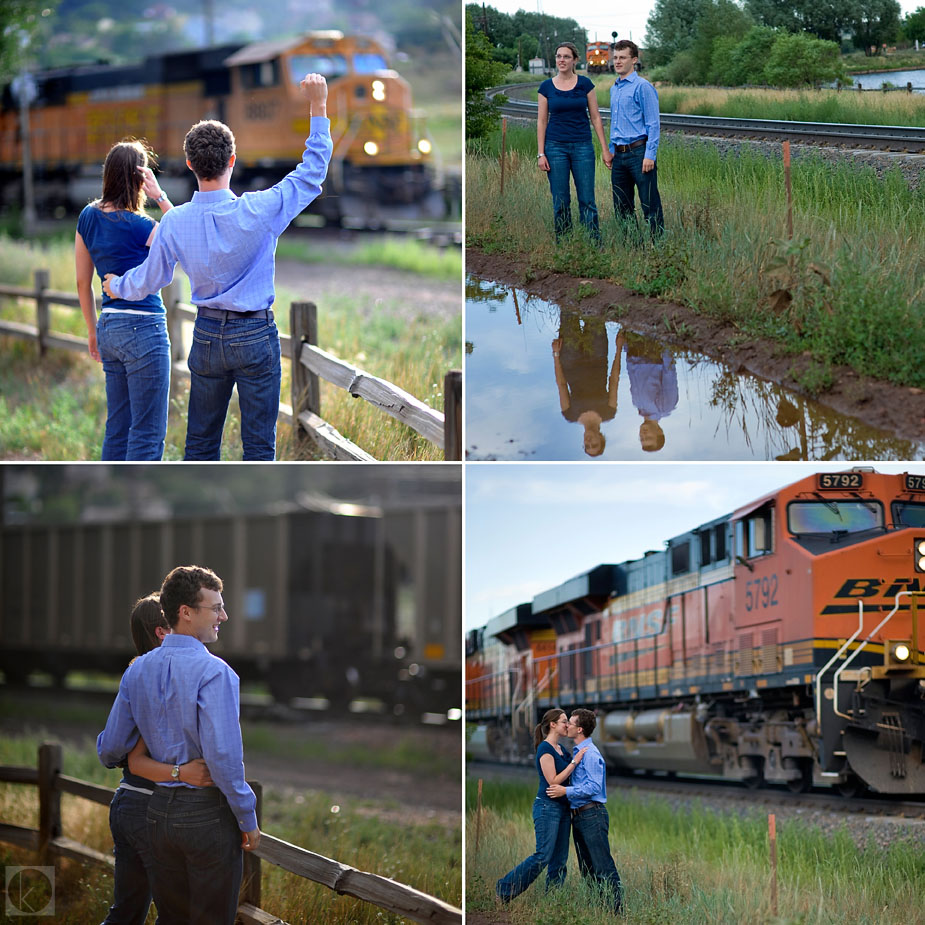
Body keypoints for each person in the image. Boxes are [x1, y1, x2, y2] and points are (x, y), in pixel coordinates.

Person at [102, 73, 333, 460]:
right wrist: (319, 106)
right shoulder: (261, 209)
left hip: (206, 335)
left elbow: (149, 279)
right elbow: (312, 173)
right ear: (232, 160)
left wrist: (115, 286)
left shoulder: (175, 222)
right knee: (259, 447)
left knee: (201, 445)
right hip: (256, 335)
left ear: (190, 163)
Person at [98, 566, 260, 925]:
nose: (224, 615)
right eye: (215, 607)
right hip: (205, 816)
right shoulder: (216, 673)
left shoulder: (136, 671)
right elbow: (222, 758)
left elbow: (110, 749)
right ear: (186, 612)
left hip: (158, 816)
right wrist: (247, 816)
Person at [103, 593, 214, 925]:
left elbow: (110, 750)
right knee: (174, 915)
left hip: (126, 802)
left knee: (126, 911)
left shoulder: (136, 675)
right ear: (163, 631)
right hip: (155, 810)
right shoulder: (188, 676)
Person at [75, 141, 174, 460]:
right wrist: (160, 196)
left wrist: (93, 331)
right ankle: (139, 505)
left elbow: (82, 281)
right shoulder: (144, 226)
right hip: (145, 330)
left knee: (117, 429)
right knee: (147, 432)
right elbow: (182, 234)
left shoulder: (87, 216)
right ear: (139, 179)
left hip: (109, 327)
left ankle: (111, 497)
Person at [496, 709, 589, 902]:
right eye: (564, 721)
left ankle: (552, 900)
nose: (567, 725)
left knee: (559, 859)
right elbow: (553, 781)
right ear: (553, 724)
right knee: (542, 856)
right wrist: (574, 762)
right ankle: (504, 889)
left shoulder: (561, 750)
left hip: (563, 809)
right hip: (547, 808)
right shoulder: (544, 749)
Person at [547, 708, 623, 916]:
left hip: (592, 815)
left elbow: (594, 787)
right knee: (587, 869)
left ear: (579, 729)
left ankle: (617, 913)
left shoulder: (590, 754)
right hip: (580, 816)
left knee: (603, 867)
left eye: (570, 723)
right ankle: (598, 911)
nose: (567, 726)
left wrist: (565, 790)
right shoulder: (577, 752)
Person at [537, 42, 612, 241]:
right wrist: (541, 153)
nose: (562, 60)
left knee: (587, 200)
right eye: (559, 56)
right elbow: (542, 121)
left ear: (575, 60)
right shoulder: (546, 87)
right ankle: (564, 244)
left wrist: (605, 149)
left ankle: (593, 244)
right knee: (560, 201)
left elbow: (596, 118)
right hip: (555, 148)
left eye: (566, 57)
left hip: (582, 147)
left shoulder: (585, 84)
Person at [608, 40, 664, 237]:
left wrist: (650, 155)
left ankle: (659, 248)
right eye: (615, 57)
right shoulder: (614, 88)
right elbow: (615, 123)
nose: (617, 61)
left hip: (639, 154)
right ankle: (633, 248)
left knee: (650, 204)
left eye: (622, 57)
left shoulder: (643, 87)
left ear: (634, 60)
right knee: (622, 207)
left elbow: (653, 124)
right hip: (619, 156)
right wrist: (611, 150)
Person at [552, 312, 620, 457]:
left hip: (570, 359)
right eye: (594, 444)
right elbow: (613, 381)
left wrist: (556, 355)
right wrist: (619, 349)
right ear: (601, 438)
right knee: (595, 316)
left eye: (587, 446)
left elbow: (562, 385)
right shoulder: (609, 412)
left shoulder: (569, 415)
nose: (589, 441)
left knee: (568, 312)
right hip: (598, 357)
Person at [620, 330, 678, 453]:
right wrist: (665, 343)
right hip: (652, 350)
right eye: (649, 437)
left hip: (634, 349)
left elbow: (631, 373)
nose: (643, 434)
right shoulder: (665, 407)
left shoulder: (637, 404)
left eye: (642, 438)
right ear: (659, 432)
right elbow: (669, 373)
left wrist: (626, 347)